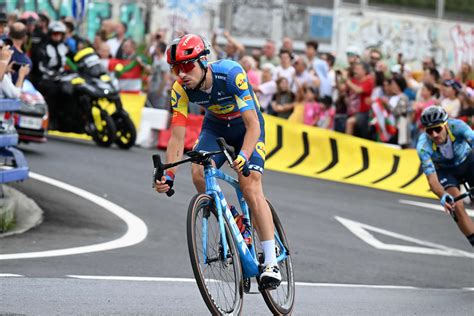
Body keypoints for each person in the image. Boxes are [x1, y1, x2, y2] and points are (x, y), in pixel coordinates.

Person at [154, 34, 282, 288]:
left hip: (247, 127)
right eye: (176, 68)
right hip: (215, 128)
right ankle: (234, 219)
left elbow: (253, 125)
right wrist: (168, 176)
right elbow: (177, 137)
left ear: (203, 61)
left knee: (250, 185)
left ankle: (270, 262)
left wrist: (244, 156)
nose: (181, 74)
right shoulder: (180, 89)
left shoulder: (231, 74)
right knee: (198, 174)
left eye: (187, 66)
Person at [416, 106, 474, 247]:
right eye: (430, 131)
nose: (435, 134)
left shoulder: (458, 126)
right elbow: (432, 180)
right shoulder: (423, 146)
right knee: (456, 206)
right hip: (446, 171)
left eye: (438, 129)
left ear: (446, 125)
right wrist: (442, 195)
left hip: (467, 162)